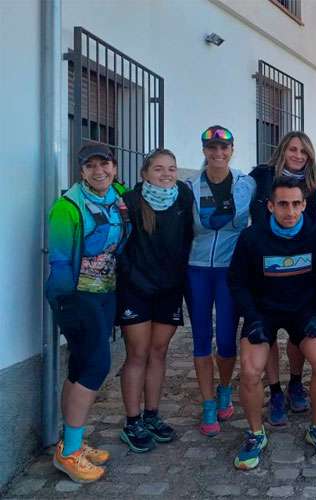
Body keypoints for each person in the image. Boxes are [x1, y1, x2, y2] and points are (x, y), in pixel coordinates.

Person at [228, 177, 316, 469]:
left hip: (304, 309)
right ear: (270, 206)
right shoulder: (252, 237)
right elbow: (237, 282)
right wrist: (251, 317)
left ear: (304, 205)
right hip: (263, 310)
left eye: (295, 204)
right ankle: (255, 434)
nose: (289, 211)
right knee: (251, 371)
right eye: (282, 204)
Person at [45, 143, 131, 483]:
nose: (99, 172)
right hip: (76, 296)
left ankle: (71, 441)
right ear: (81, 171)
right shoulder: (66, 208)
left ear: (114, 166)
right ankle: (68, 455)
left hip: (106, 293)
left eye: (105, 165)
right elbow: (61, 260)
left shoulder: (119, 195)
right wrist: (69, 303)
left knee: (80, 365)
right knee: (96, 365)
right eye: (91, 166)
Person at [117, 149, 193, 452]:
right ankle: (132, 421)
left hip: (169, 288)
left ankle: (152, 415)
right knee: (138, 353)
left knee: (159, 352)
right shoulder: (131, 202)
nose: (166, 174)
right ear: (144, 174)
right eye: (159, 169)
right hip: (136, 288)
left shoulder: (183, 198)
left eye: (172, 169)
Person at [185, 125, 256, 436]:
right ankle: (209, 403)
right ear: (204, 151)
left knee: (226, 339)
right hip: (197, 268)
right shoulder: (189, 186)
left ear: (231, 150)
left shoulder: (246, 184)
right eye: (212, 148)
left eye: (223, 148)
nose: (218, 153)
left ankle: (225, 387)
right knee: (201, 336)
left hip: (230, 270)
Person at [249, 132, 316, 424]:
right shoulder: (261, 176)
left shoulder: (314, 185)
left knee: (296, 333)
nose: (298, 155)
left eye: (304, 151)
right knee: (269, 333)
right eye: (293, 149)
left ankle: (294, 382)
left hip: (301, 265)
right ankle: (275, 390)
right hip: (265, 262)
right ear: (282, 150)